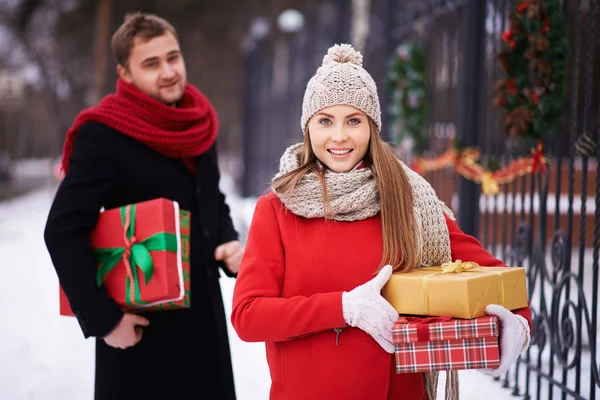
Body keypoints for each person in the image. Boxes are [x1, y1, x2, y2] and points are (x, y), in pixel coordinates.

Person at [231, 44, 532, 400]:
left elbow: (490, 274)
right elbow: (248, 316)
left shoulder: (410, 200)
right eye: (325, 120)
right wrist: (343, 308)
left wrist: (517, 320)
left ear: (372, 128)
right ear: (308, 127)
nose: (339, 136)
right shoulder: (278, 208)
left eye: (354, 121)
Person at [44, 12, 242, 400]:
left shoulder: (197, 122)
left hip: (204, 321)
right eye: (151, 64)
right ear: (126, 73)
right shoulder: (103, 133)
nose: (168, 71)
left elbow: (211, 198)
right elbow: (62, 229)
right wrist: (103, 320)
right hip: (141, 331)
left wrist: (226, 241)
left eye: (173, 57)